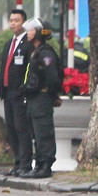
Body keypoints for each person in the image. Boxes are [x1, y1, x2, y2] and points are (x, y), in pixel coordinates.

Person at [0, 8, 33, 176]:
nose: (13, 23)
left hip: (20, 93)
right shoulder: (9, 44)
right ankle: (17, 163)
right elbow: (3, 71)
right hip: (8, 93)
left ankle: (25, 164)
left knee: (22, 129)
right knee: (11, 129)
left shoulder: (28, 44)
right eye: (11, 20)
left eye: (17, 20)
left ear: (24, 23)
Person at [19, 18, 62, 179]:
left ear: (39, 33)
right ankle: (38, 165)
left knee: (44, 132)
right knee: (36, 133)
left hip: (42, 98)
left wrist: (52, 95)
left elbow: (53, 77)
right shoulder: (35, 52)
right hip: (33, 98)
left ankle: (45, 166)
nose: (28, 33)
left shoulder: (45, 54)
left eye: (31, 30)